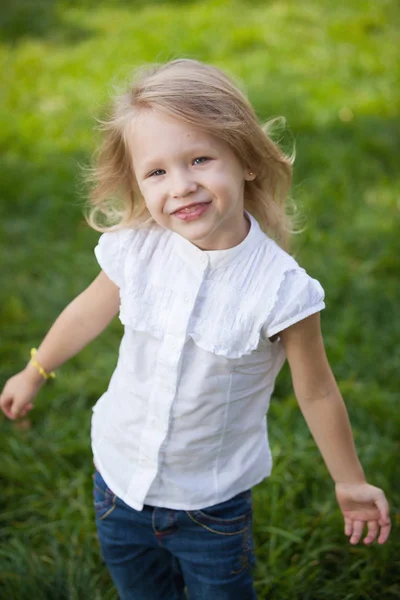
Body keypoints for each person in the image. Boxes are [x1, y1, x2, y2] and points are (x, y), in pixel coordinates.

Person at [0, 59, 391, 600]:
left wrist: (349, 480)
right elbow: (86, 311)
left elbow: (317, 388)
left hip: (211, 505)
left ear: (246, 161)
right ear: (137, 182)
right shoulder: (138, 248)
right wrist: (35, 369)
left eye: (200, 159)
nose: (181, 186)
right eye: (157, 172)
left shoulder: (282, 291)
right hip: (117, 482)